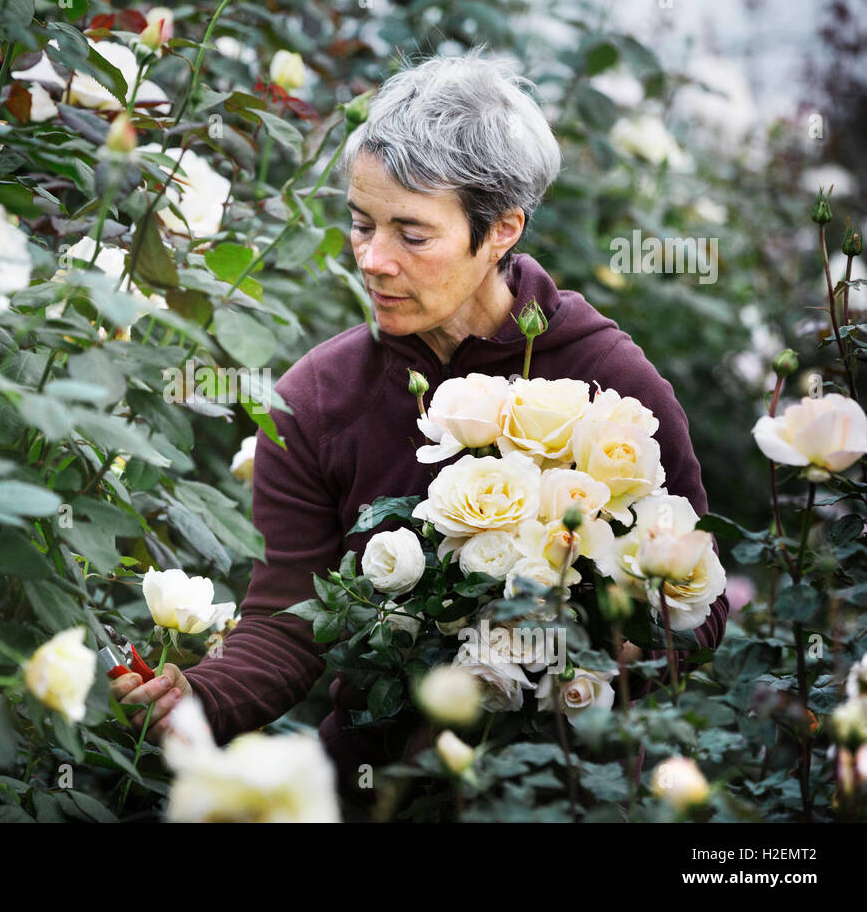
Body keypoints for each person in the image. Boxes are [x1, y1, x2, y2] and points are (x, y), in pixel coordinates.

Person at [110, 48, 729, 814]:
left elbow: (700, 601)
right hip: (381, 790)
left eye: (412, 234)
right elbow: (287, 621)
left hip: (572, 786)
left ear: (501, 229)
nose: (373, 260)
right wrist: (194, 699)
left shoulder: (609, 381)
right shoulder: (316, 399)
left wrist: (593, 645)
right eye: (360, 224)